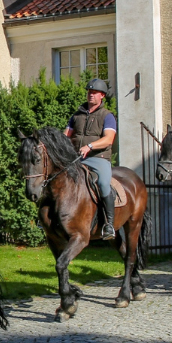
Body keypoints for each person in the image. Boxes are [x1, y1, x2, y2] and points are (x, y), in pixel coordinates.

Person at [65, 78, 117, 239]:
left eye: (94, 93)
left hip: (98, 158)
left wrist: (90, 146)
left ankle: (109, 224)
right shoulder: (77, 115)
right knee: (56, 178)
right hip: (76, 159)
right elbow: (66, 135)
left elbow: (109, 139)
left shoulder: (107, 116)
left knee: (102, 183)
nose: (90, 95)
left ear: (102, 95)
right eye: (89, 92)